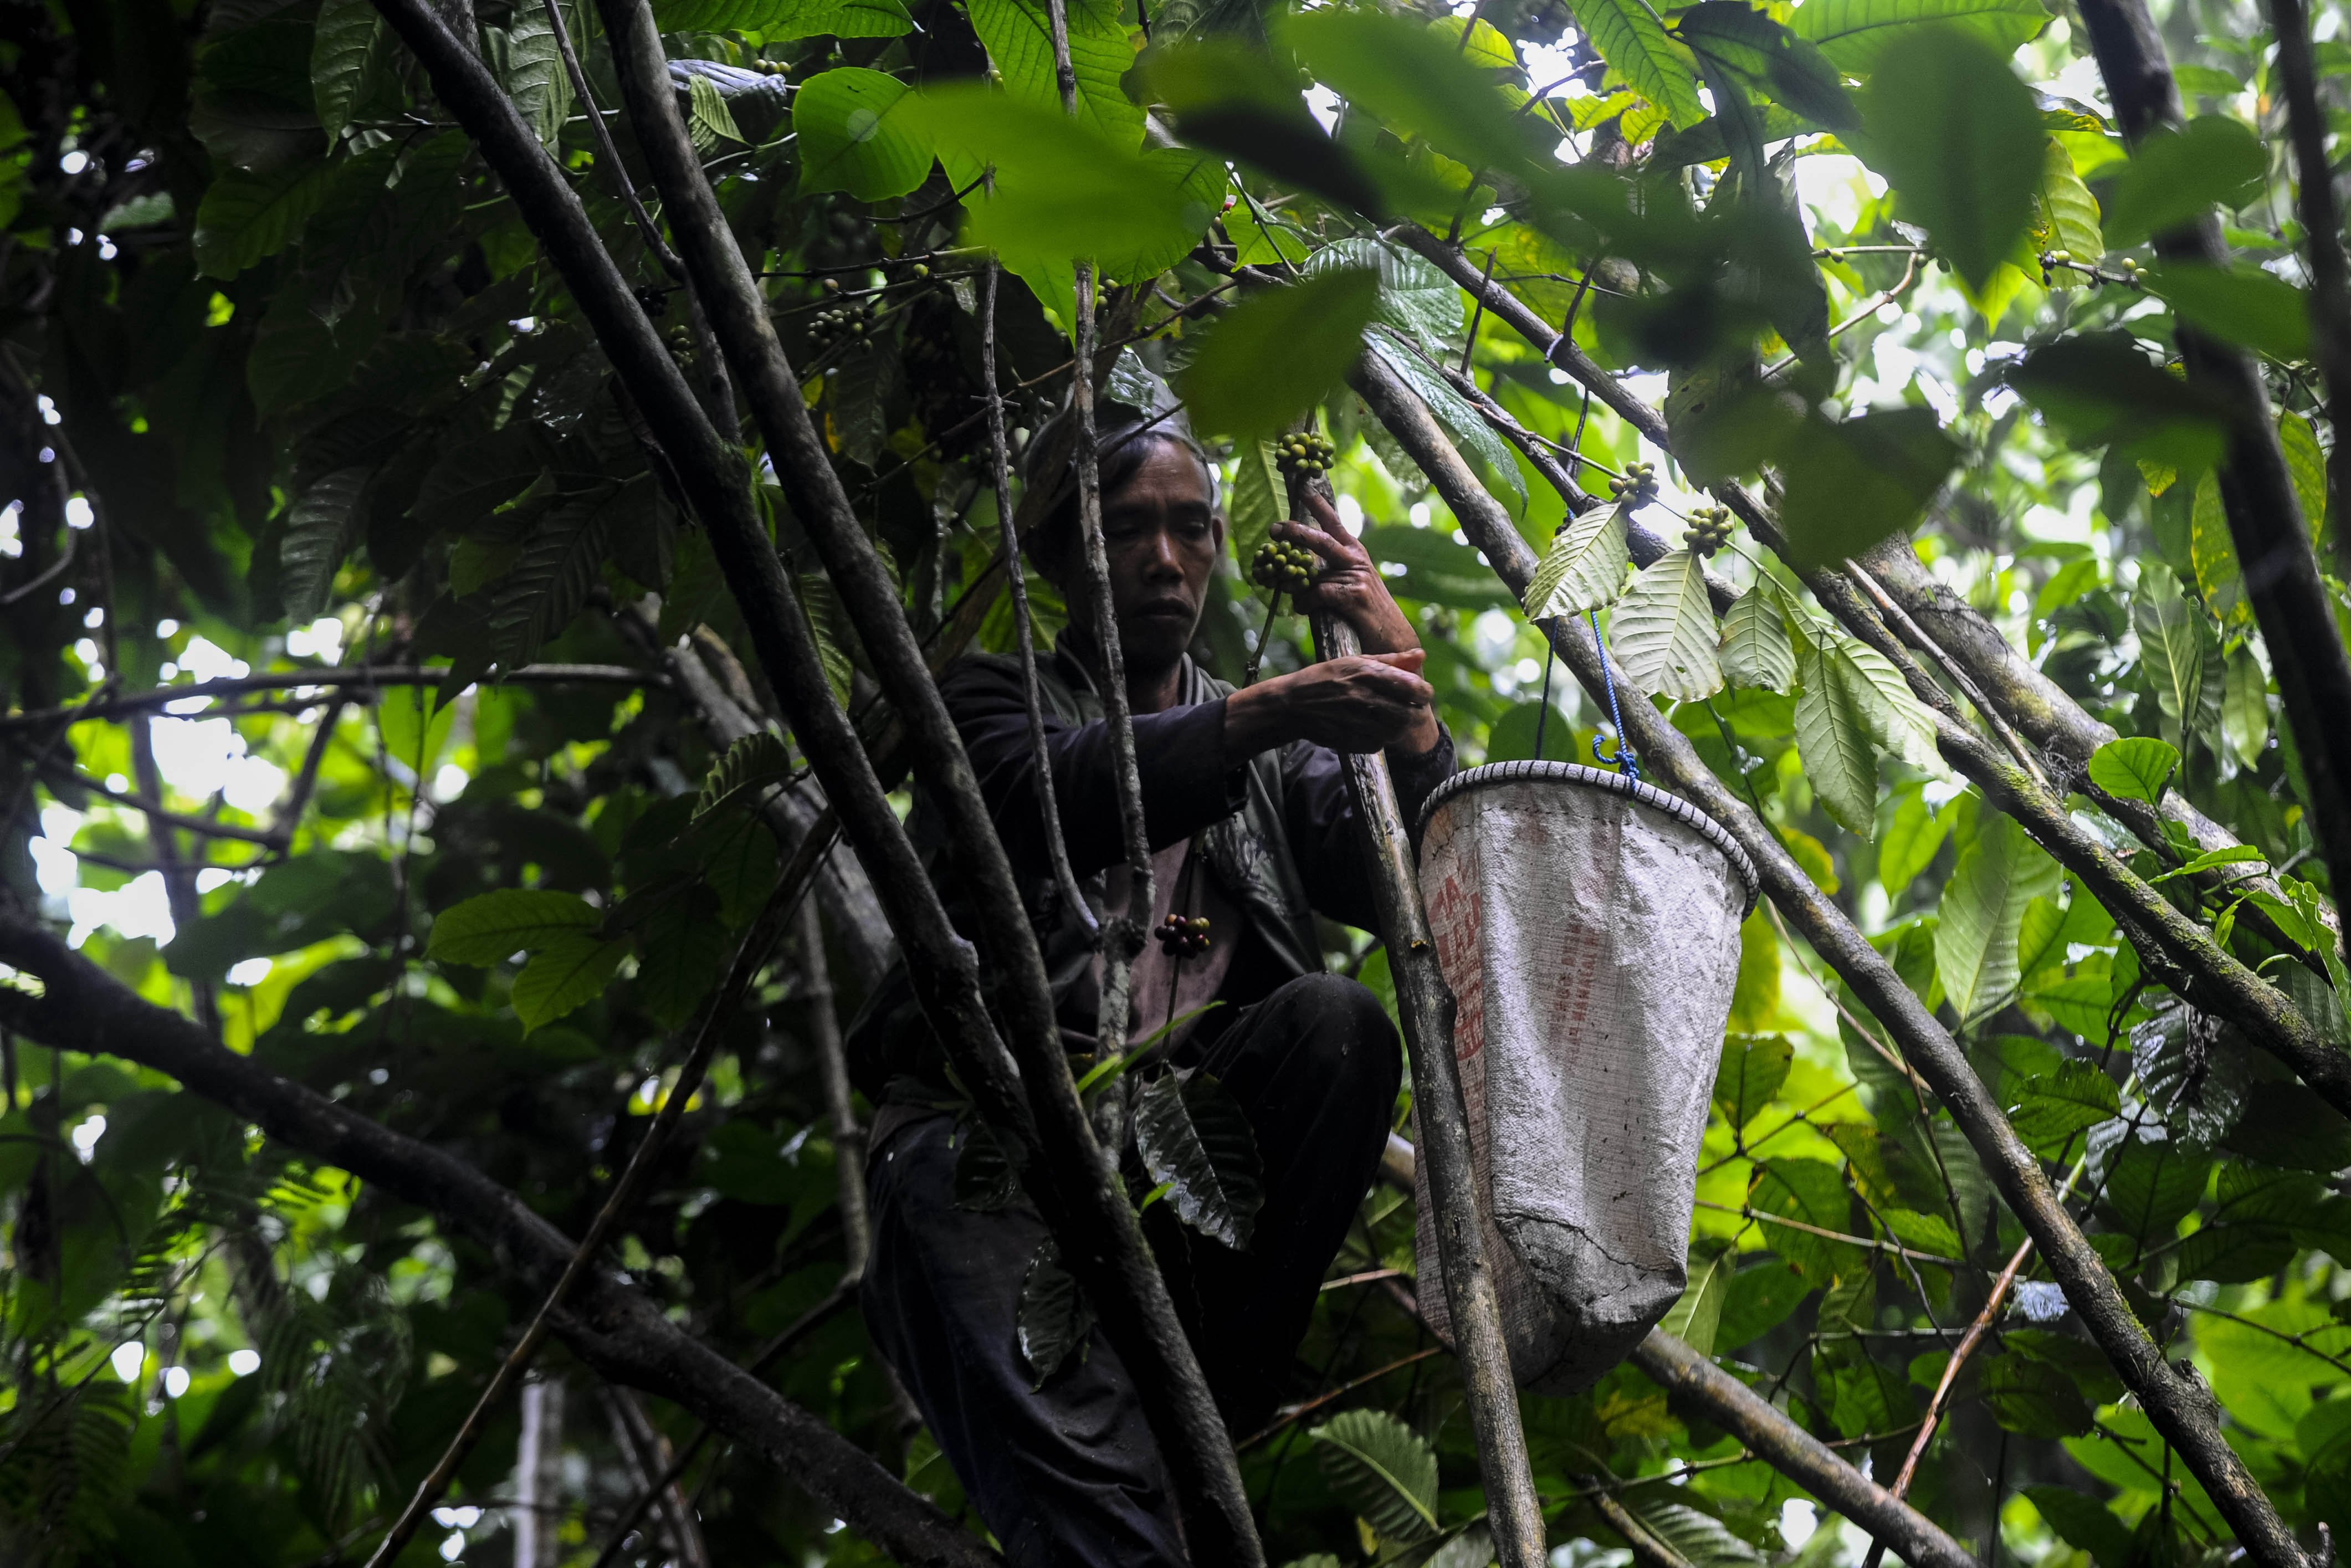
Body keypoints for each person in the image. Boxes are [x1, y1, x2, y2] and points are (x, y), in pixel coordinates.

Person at [847, 403, 1453, 1566]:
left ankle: (1216, 1402)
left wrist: (1412, 717)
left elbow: (1431, 885)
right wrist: (1251, 718)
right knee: (1104, 1514)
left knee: (1339, 1024)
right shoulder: (986, 695)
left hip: (1176, 1163)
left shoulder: (1281, 745)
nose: (1164, 559)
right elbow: (1037, 794)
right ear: (1060, 554)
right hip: (984, 1150)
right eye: (1125, 530)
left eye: (1190, 528)